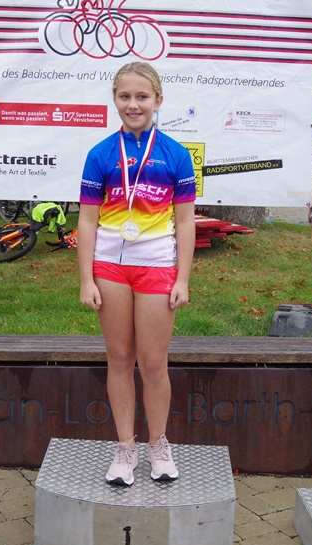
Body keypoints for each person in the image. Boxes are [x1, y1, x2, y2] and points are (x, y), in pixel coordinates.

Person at [77, 62, 196, 486]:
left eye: (142, 97)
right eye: (125, 96)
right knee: (120, 359)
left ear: (158, 100)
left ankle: (158, 444)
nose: (133, 104)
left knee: (153, 363)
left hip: (157, 266)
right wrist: (86, 279)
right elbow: (87, 220)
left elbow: (185, 221)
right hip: (110, 267)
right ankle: (125, 446)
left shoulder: (176, 154)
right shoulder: (100, 154)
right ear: (114, 99)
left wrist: (182, 278)